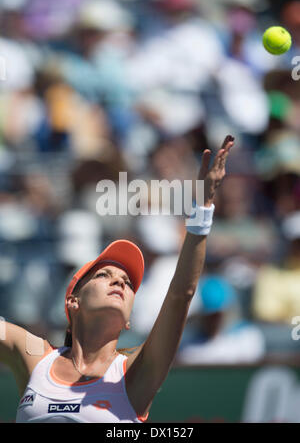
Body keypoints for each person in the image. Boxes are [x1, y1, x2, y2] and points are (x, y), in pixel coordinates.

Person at [0, 135, 234, 423]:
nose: (120, 282)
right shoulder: (35, 354)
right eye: (103, 274)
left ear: (128, 320)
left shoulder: (135, 372)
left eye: (127, 281)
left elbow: (180, 295)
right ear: (73, 301)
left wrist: (203, 210)